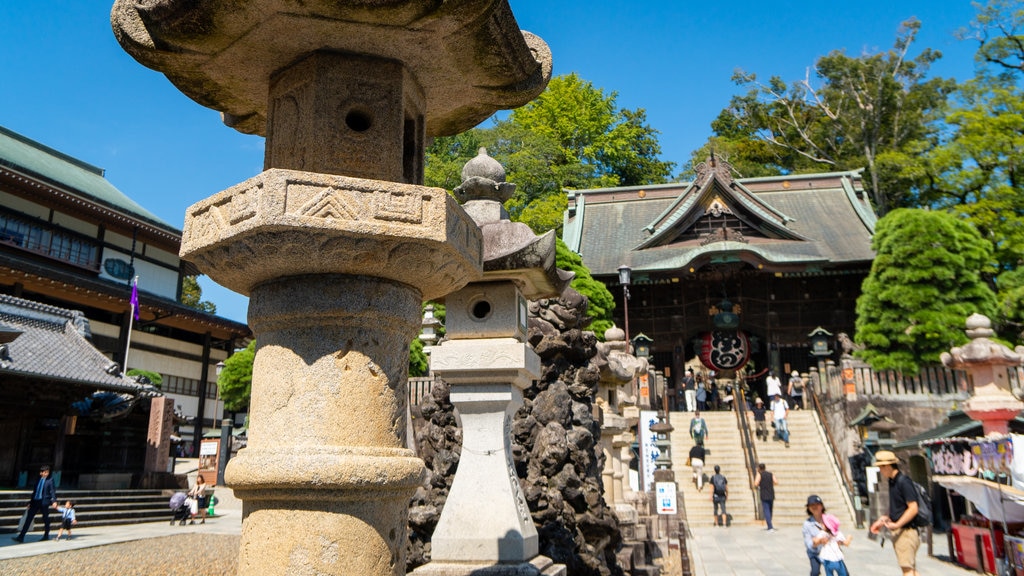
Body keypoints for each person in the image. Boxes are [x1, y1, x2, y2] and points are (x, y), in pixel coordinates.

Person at [870, 450, 921, 576]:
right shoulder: (893, 482)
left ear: (887, 466)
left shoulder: (903, 481)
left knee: (907, 570)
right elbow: (898, 507)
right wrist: (884, 519)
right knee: (911, 570)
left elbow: (913, 508)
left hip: (906, 531)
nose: (880, 471)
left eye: (881, 467)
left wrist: (897, 524)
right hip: (901, 531)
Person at [804, 495, 853, 576]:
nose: (815, 507)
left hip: (832, 553)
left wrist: (841, 541)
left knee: (845, 573)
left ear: (822, 506)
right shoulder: (807, 524)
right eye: (812, 505)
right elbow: (808, 543)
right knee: (815, 573)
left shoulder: (829, 519)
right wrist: (818, 542)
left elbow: (837, 535)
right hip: (815, 553)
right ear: (808, 508)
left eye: (817, 504)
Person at [13, 465, 57, 543]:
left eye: (46, 472)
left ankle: (46, 535)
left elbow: (52, 491)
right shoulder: (38, 479)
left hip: (44, 502)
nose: (44, 474)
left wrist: (54, 501)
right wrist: (30, 502)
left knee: (45, 518)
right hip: (35, 501)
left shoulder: (50, 480)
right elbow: (35, 491)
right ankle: (21, 536)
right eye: (43, 472)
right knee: (28, 518)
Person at [754, 463, 778, 532]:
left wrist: (761, 484)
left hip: (764, 494)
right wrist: (770, 484)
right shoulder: (770, 474)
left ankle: (770, 527)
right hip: (771, 493)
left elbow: (756, 483)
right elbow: (776, 482)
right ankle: (770, 524)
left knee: (766, 510)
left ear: (759, 468)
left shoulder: (759, 475)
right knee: (770, 510)